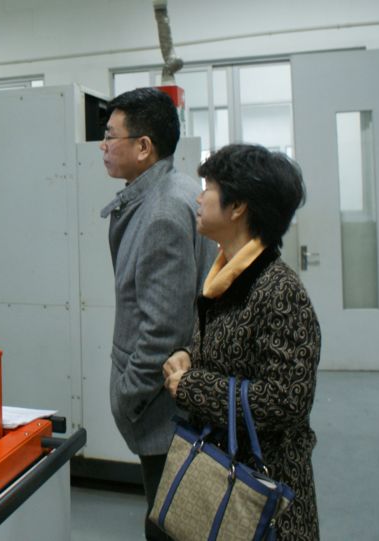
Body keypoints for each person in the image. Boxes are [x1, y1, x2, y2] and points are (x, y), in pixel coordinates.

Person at [163, 143, 321, 540]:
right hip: (222, 476)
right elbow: (232, 354)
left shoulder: (280, 291)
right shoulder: (226, 277)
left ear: (237, 207)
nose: (198, 198)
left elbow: (286, 400)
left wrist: (191, 386)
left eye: (208, 188)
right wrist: (187, 355)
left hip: (264, 497)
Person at [99, 87, 216, 540]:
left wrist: (127, 397)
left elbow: (163, 333)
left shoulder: (162, 212)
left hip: (160, 411)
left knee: (166, 523)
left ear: (144, 146)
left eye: (111, 136)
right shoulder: (178, 188)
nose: (103, 146)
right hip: (169, 405)